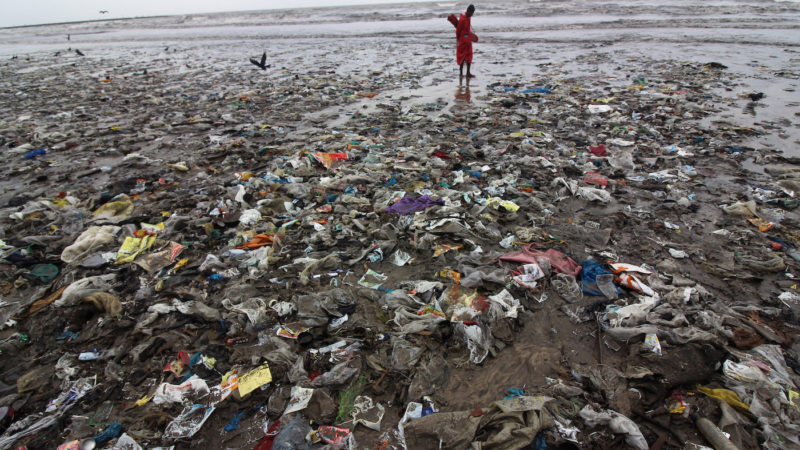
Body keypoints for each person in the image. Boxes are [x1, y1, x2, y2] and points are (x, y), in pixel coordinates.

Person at [456, 5, 476, 79]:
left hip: (468, 40)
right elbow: (458, 30)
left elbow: (468, 30)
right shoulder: (462, 19)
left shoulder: (468, 18)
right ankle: (461, 73)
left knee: (469, 56)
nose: (472, 14)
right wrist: (458, 39)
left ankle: (468, 72)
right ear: (468, 11)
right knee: (462, 56)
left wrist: (470, 37)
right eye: (472, 13)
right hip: (462, 40)